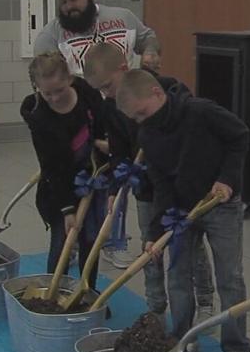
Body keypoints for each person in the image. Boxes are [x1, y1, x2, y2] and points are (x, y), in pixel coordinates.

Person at [116, 69, 250, 352]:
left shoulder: (200, 111)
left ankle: (236, 347)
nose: (142, 121)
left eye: (142, 113)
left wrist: (227, 179)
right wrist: (155, 233)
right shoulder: (148, 134)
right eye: (135, 119)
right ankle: (183, 338)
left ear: (156, 93)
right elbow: (161, 183)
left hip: (220, 203)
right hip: (181, 211)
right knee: (177, 276)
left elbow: (240, 136)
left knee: (229, 277)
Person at [82, 42, 217, 327]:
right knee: (150, 245)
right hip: (145, 186)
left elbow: (191, 134)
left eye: (108, 85)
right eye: (101, 90)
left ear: (123, 68)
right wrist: (115, 188)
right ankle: (155, 307)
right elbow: (119, 151)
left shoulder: (165, 88)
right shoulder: (111, 107)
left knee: (188, 247)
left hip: (179, 183)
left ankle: (205, 300)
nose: (106, 93)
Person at [20, 52, 110, 298]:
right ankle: (53, 294)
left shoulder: (86, 93)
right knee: (63, 240)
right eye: (47, 93)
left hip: (94, 175)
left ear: (69, 79)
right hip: (59, 188)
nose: (54, 98)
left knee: (91, 241)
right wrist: (68, 209)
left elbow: (103, 123)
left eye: (59, 90)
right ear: (37, 88)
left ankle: (88, 293)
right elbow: (51, 166)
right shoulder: (40, 117)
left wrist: (104, 149)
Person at [34, 0, 162, 77]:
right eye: (63, 1)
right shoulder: (50, 35)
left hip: (124, 99)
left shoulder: (124, 18)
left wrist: (150, 52)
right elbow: (45, 77)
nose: (68, 6)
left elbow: (148, 38)